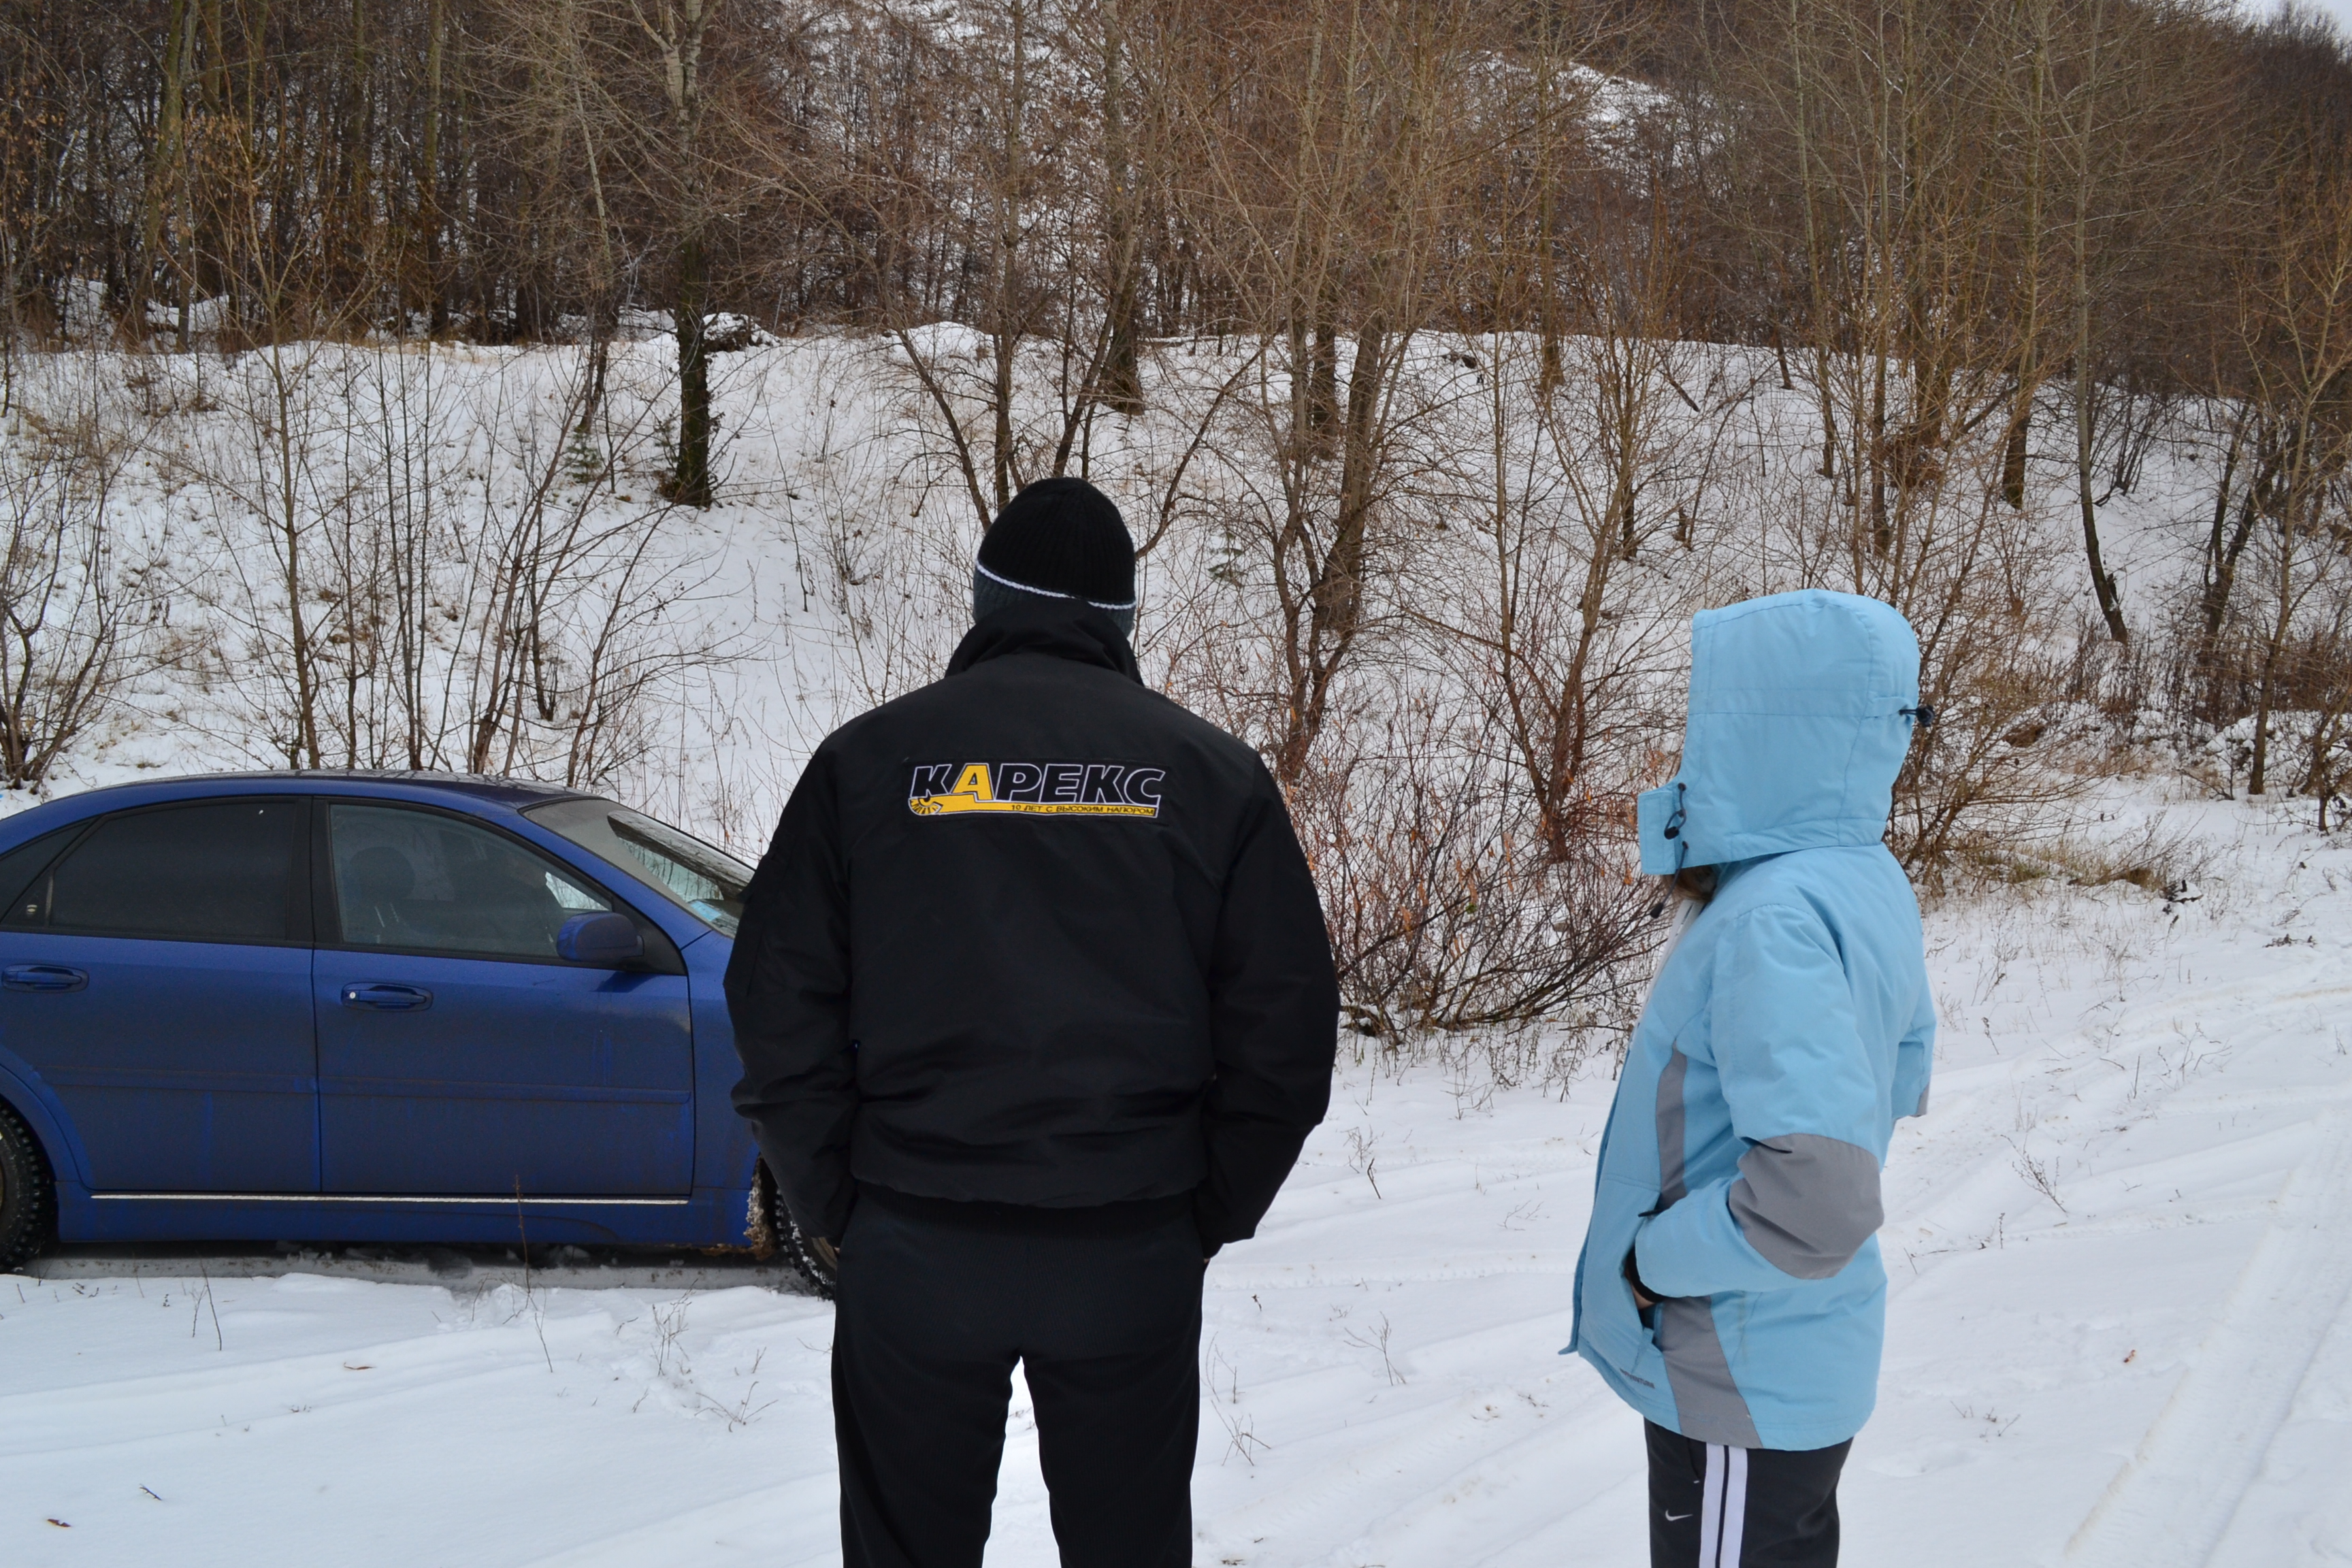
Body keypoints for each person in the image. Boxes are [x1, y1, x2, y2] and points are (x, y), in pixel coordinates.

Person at [725, 475, 1339, 1568]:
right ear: (1122, 620)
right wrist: (1197, 1211)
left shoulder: (869, 764)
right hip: (1124, 1245)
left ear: (985, 600)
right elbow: (1284, 1033)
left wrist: (839, 1200)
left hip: (917, 1238)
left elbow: (777, 1000)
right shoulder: (1212, 778)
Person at [1567, 589, 1937, 1567]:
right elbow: (1896, 1073)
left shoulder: (1775, 916)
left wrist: (1650, 1264)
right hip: (1786, 1353)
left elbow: (1817, 1200)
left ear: (1757, 727)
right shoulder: (1857, 875)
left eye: (1709, 717)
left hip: (1742, 1364)